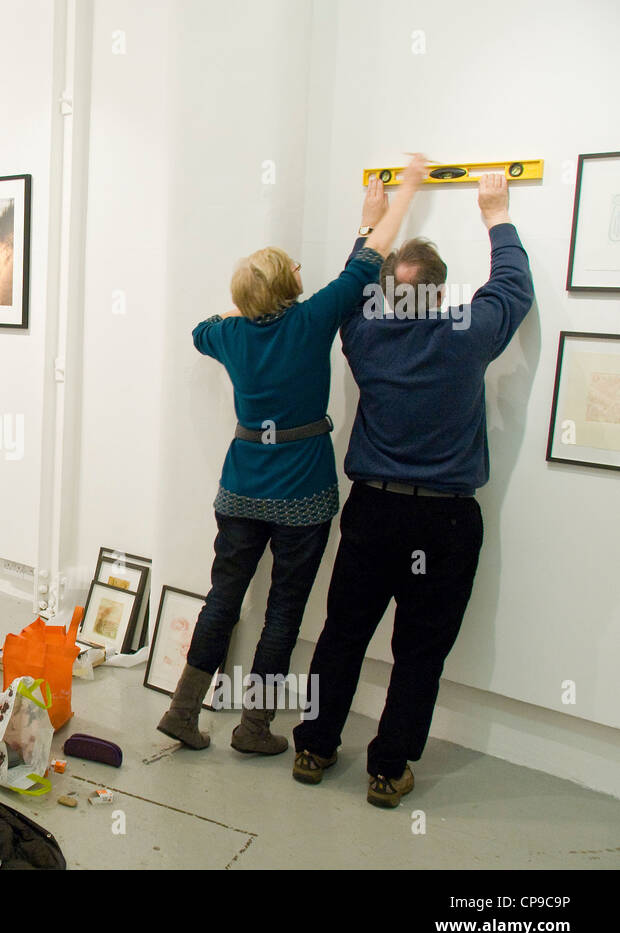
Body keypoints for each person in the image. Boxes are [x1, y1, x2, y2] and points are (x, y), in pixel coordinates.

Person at [157, 155, 429, 756]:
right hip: (301, 494)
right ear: (287, 286)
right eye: (293, 267)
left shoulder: (227, 335)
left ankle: (183, 709)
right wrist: (400, 196)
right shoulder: (312, 321)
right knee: (284, 608)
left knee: (222, 599)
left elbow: (204, 328)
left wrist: (243, 310)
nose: (303, 269)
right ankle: (254, 727)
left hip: (239, 487)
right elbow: (368, 263)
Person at [291, 173, 534, 807]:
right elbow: (512, 287)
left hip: (373, 511)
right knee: (419, 650)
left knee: (343, 631)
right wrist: (496, 213)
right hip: (446, 523)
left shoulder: (365, 335)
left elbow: (353, 288)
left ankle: (315, 746)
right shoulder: (469, 332)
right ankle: (388, 767)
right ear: (442, 290)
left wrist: (369, 223)